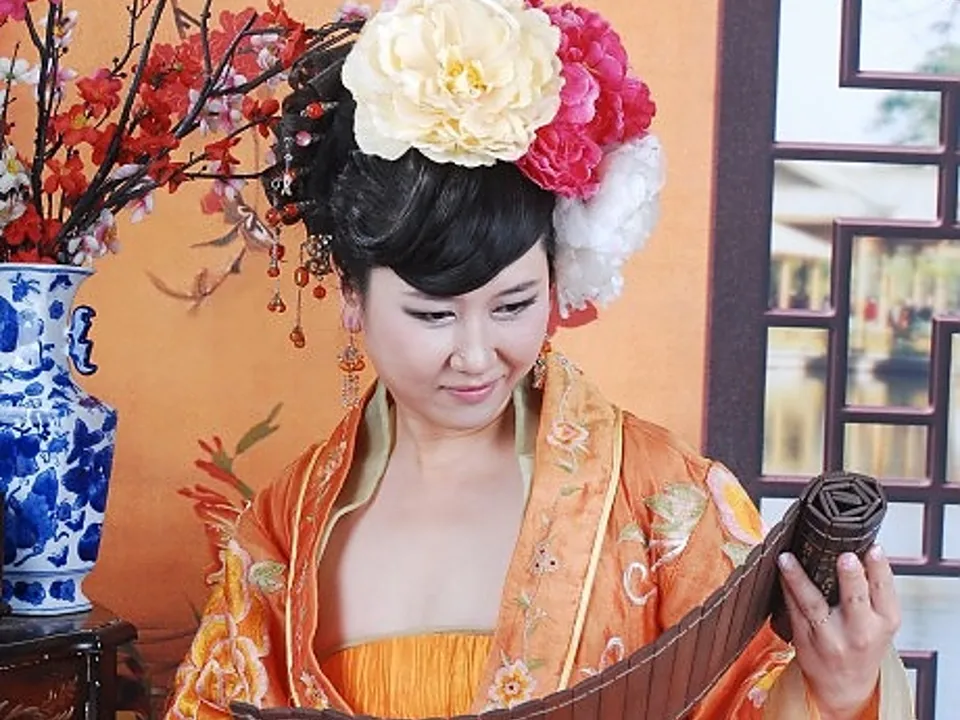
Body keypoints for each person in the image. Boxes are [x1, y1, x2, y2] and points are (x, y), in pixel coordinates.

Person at [164, 1, 913, 718]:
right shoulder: (285, 529)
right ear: (351, 297)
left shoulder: (662, 501)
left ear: (555, 280)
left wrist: (840, 691)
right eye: (433, 314)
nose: (476, 354)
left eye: (513, 305)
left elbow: (748, 695)